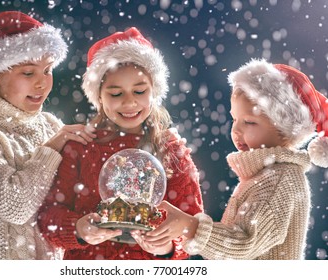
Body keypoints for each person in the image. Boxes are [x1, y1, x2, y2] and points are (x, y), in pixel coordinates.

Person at [0, 11, 96, 260]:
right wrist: (52, 148)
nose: (42, 83)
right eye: (28, 73)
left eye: (47, 70)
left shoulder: (51, 125)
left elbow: (72, 197)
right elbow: (16, 207)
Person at [37, 27, 204, 260]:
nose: (129, 102)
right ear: (99, 97)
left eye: (139, 91)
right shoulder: (81, 147)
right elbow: (47, 218)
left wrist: (167, 248)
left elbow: (195, 226)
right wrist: (78, 229)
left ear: (154, 91)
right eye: (116, 94)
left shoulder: (171, 149)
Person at [145, 59, 328, 260]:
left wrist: (189, 226)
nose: (236, 130)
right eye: (235, 119)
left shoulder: (280, 180)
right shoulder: (264, 175)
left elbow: (244, 243)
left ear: (284, 129)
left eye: (249, 122)